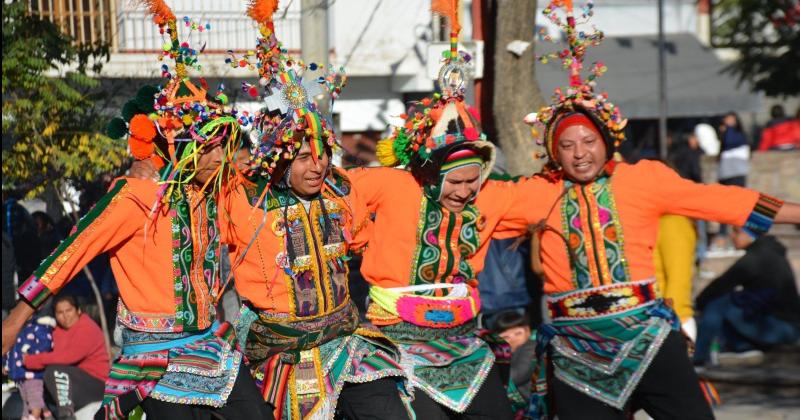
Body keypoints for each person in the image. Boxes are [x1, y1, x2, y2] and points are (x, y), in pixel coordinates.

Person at [519, 2, 800, 419]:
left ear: (607, 140)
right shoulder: (533, 192)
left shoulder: (643, 179)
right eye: (567, 145)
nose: (579, 154)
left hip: (646, 339)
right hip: (576, 348)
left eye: (588, 141)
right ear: (554, 153)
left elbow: (721, 201)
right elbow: (469, 211)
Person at [2, 3, 271, 419]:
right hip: (155, 361)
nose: (221, 154)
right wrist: (16, 319)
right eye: (210, 145)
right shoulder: (134, 198)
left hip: (209, 347)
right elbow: (71, 252)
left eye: (223, 145)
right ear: (178, 146)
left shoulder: (206, 193)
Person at [221, 5, 409, 419]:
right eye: (304, 157)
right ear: (279, 161)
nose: (318, 166)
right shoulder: (245, 198)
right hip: (282, 349)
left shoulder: (340, 189)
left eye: (322, 154)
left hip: (345, 337)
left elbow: (362, 243)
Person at [694, 227, 800, 366]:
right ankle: (742, 347)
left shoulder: (756, 257)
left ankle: (700, 357)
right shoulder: (770, 252)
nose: (732, 236)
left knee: (719, 304)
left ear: (750, 235)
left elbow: (721, 285)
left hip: (780, 329)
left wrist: (697, 306)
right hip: (786, 327)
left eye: (737, 232)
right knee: (731, 300)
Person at [21, 295, 109, 419]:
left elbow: (66, 357)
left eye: (69, 310)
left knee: (54, 370)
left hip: (97, 386)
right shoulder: (56, 331)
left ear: (78, 311)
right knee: (40, 373)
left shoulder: (87, 327)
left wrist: (31, 360)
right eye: (60, 312)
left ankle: (66, 414)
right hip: (74, 384)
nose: (65, 316)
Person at [4, 312, 54, 420]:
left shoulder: (38, 326)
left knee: (34, 397)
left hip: (33, 373)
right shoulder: (17, 330)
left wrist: (31, 353)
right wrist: (5, 364)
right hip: (20, 373)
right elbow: (9, 349)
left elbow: (46, 344)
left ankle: (34, 416)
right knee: (25, 399)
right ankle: (29, 416)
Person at [714, 112, 751, 250]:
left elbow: (730, 140)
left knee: (738, 204)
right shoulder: (726, 135)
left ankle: (741, 234)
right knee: (724, 206)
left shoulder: (738, 134)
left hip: (736, 174)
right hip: (726, 174)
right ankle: (724, 234)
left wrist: (728, 128)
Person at [494, 311, 536, 400]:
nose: (513, 340)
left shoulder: (531, 347)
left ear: (528, 331)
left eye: (518, 333)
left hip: (531, 402)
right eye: (506, 337)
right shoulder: (503, 353)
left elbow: (518, 374)